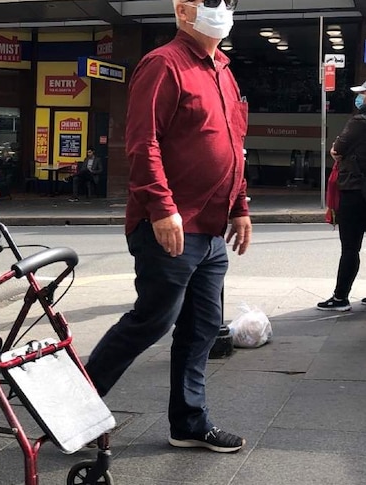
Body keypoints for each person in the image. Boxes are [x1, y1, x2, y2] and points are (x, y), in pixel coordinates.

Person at [83, 0, 251, 454]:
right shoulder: (163, 64)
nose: (223, 9)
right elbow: (142, 142)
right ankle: (76, 414)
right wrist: (161, 208)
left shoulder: (222, 69)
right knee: (151, 321)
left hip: (211, 227)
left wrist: (239, 204)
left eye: (229, 2)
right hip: (173, 223)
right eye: (211, 2)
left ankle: (189, 422)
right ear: (182, 10)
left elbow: (234, 143)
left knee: (202, 326)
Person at [316, 80, 366, 311]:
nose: (360, 98)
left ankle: (340, 298)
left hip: (356, 191)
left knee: (350, 247)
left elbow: (337, 149)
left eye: (363, 94)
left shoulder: (359, 121)